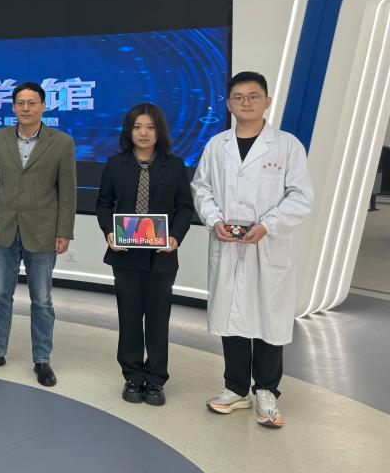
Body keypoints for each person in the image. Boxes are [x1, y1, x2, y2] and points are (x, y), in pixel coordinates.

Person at [192, 71, 313, 428]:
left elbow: (301, 196)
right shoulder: (217, 146)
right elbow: (202, 188)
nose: (246, 102)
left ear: (267, 101)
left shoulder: (287, 145)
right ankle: (235, 388)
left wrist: (268, 226)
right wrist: (214, 220)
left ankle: (266, 392)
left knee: (268, 317)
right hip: (228, 244)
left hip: (268, 247)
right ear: (229, 105)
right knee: (231, 315)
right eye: (238, 97)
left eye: (253, 96)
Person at [0, 81, 76, 387]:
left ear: (44, 106)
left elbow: (67, 192)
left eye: (32, 103)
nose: (26, 108)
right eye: (21, 103)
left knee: (42, 300)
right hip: (3, 228)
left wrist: (64, 231)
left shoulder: (62, 142)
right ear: (13, 107)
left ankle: (42, 359)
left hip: (42, 231)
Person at [96, 103, 194, 406]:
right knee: (129, 318)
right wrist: (109, 232)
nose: (143, 133)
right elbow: (104, 203)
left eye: (150, 127)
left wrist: (175, 236)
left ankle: (156, 380)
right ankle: (132, 377)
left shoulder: (174, 165)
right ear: (129, 131)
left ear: (159, 131)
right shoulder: (115, 164)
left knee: (157, 320)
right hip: (125, 254)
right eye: (137, 127)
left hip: (162, 256)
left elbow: (184, 207)